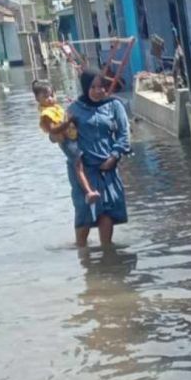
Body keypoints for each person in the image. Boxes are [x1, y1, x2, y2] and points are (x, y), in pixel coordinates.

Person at [68, 68, 131, 247]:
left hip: (107, 167)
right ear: (85, 87)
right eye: (93, 87)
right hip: (84, 169)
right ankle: (82, 253)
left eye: (102, 86)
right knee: (84, 212)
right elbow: (67, 139)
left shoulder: (114, 106)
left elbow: (124, 133)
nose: (99, 90)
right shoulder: (74, 110)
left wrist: (114, 156)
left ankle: (107, 252)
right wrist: (77, 157)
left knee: (107, 210)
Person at [32, 80, 100, 213]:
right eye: (46, 97)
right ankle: (89, 192)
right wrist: (68, 122)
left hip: (72, 137)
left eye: (52, 95)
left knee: (82, 162)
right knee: (78, 164)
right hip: (67, 141)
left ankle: (90, 188)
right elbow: (54, 130)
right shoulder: (46, 114)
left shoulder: (55, 108)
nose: (50, 99)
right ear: (37, 99)